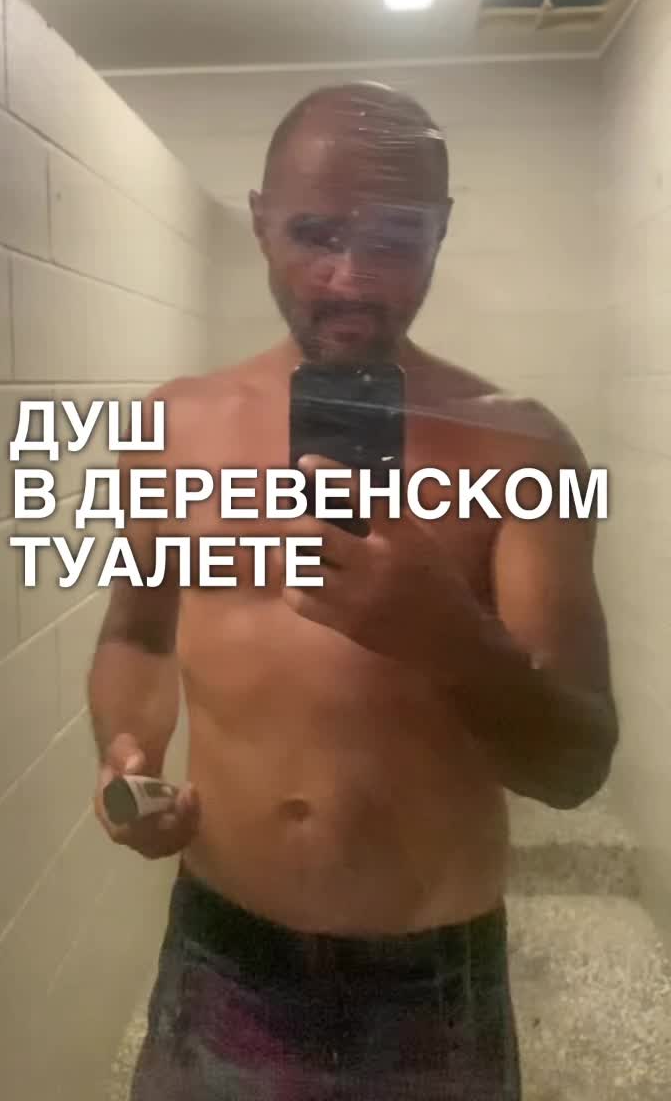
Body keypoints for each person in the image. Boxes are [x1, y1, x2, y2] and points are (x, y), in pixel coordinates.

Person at [87, 82, 618, 1100]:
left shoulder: (523, 450)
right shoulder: (172, 428)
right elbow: (138, 635)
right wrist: (128, 752)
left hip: (428, 978)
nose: (351, 279)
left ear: (441, 230)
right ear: (259, 220)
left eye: (395, 239)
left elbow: (576, 764)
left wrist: (449, 636)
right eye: (315, 234)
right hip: (222, 946)